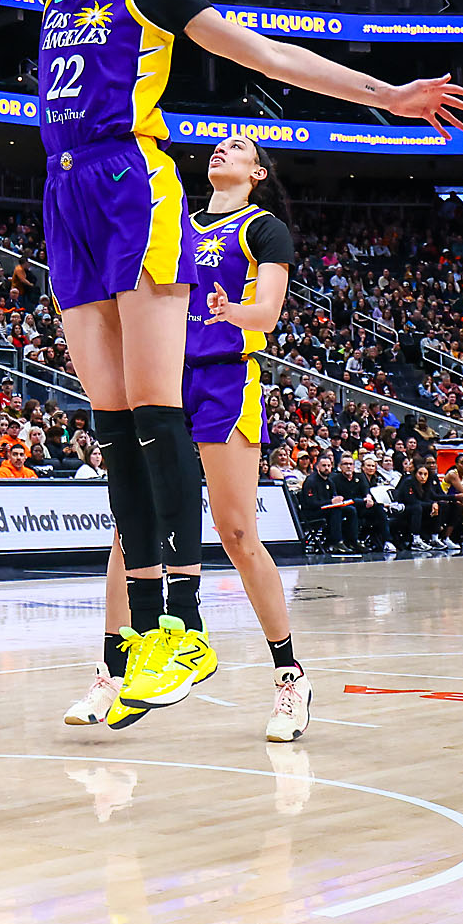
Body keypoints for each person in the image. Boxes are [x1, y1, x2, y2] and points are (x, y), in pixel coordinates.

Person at [0, 0, 463, 715]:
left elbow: (270, 57)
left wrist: (390, 98)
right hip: (64, 190)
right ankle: (143, 643)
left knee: (156, 410)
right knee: (112, 417)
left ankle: (182, 628)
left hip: (132, 182)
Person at [68, 138, 313, 741]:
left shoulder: (266, 229)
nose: (223, 150)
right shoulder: (170, 220)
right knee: (134, 528)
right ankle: (113, 669)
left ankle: (289, 678)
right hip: (166, 380)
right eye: (219, 145)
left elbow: (269, 315)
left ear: (257, 173)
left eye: (240, 149)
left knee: (235, 531)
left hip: (228, 378)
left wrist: (235, 312)